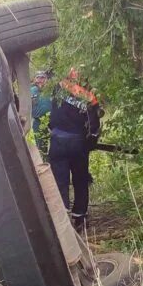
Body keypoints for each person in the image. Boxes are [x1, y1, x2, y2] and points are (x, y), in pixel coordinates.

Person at [48, 68, 102, 230]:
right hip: (78, 143)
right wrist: (91, 140)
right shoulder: (89, 97)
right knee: (80, 179)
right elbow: (94, 126)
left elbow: (52, 115)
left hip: (57, 141)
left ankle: (62, 220)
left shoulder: (57, 87)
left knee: (60, 182)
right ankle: (80, 217)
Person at [30, 70, 52, 155]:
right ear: (35, 79)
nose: (40, 80)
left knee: (55, 147)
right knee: (41, 149)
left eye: (42, 77)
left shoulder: (51, 91)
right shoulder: (31, 90)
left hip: (52, 122)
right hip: (38, 123)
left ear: (46, 79)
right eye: (38, 77)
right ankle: (43, 164)